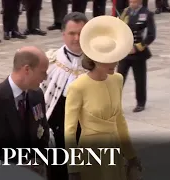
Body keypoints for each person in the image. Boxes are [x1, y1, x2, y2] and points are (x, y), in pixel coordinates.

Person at [64, 15, 142, 180]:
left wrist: (131, 155)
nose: (115, 63)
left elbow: (120, 120)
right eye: (109, 60)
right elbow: (70, 132)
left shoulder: (117, 79)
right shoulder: (78, 87)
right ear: (96, 60)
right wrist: (73, 169)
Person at [0, 46, 50, 178]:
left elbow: (43, 131)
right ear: (27, 70)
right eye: (42, 72)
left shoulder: (36, 95)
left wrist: (37, 160)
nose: (45, 77)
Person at [39, 12, 88, 180]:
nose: (76, 38)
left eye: (81, 33)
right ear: (63, 35)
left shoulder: (97, 63)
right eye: (72, 33)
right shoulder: (49, 61)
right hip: (56, 131)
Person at [117, 0, 156, 112]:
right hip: (125, 51)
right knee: (119, 78)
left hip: (138, 52)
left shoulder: (147, 13)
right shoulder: (126, 12)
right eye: (130, 1)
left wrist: (138, 47)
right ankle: (114, 102)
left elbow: (151, 35)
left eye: (134, 2)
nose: (132, 4)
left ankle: (140, 102)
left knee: (139, 79)